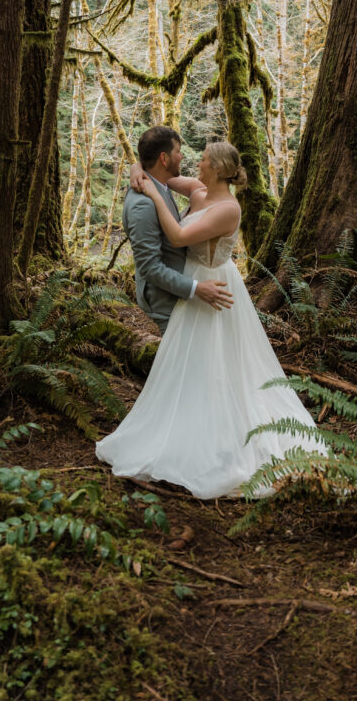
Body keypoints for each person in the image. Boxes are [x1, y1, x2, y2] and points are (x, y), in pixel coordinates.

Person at [95, 140, 327, 499]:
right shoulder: (198, 189)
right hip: (195, 283)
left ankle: (224, 440)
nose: (195, 163)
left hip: (213, 286)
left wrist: (154, 198)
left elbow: (178, 235)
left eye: (202, 159)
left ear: (217, 168)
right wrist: (135, 171)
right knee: (189, 366)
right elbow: (160, 176)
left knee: (220, 364)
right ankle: (188, 430)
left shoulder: (229, 209)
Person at [120, 126, 234, 334]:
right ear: (164, 159)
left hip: (191, 293)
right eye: (178, 152)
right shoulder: (143, 204)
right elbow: (149, 267)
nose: (183, 157)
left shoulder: (160, 184)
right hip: (167, 301)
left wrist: (137, 167)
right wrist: (196, 288)